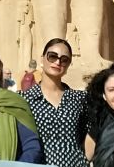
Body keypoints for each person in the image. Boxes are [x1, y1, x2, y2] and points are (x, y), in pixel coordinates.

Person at [22, 39, 88, 167]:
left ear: (68, 65)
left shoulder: (79, 99)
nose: (58, 62)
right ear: (42, 59)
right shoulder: (25, 99)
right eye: (52, 56)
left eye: (64, 59)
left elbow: (90, 134)